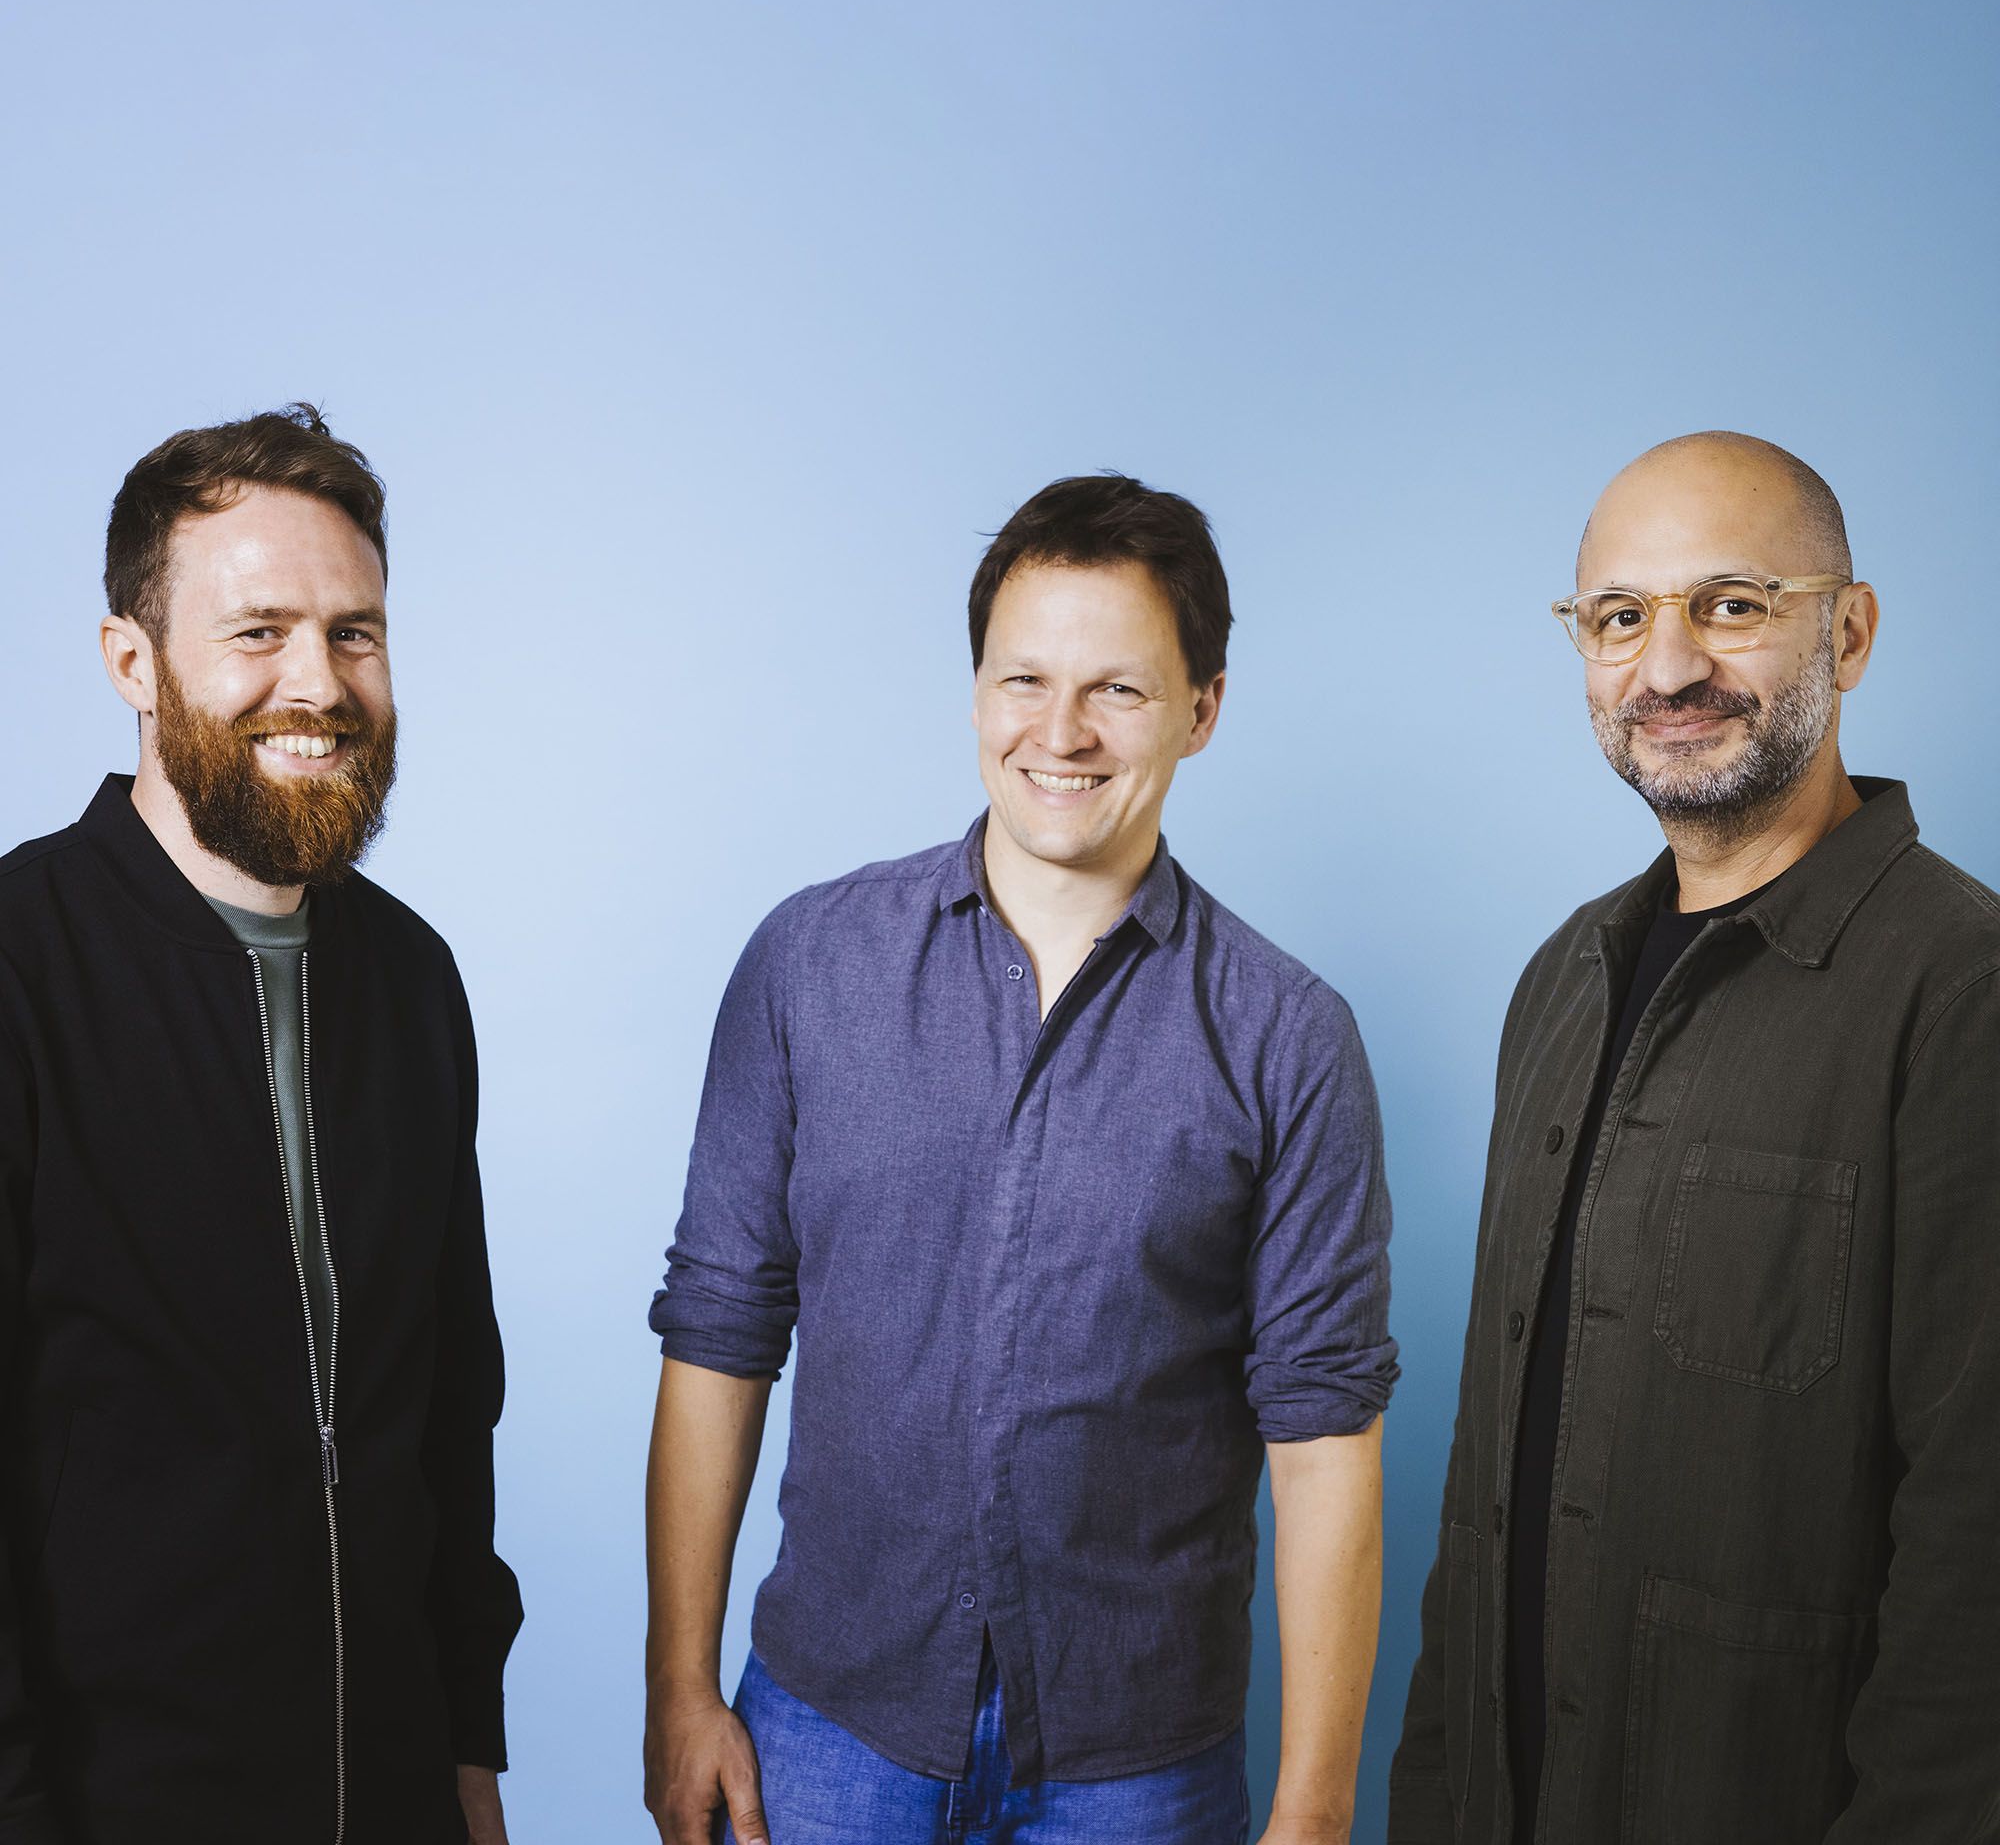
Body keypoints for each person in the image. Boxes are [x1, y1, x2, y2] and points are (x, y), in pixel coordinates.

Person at [643, 475, 1398, 1845]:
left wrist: (1316, 1810)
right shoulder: (808, 965)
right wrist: (678, 1690)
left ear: (1201, 709)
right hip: (827, 1729)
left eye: (1117, 689)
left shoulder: (1290, 1037)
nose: (1060, 732)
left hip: (1139, 1770)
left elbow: (1326, 1434)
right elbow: (717, 1334)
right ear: (977, 690)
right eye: (1023, 679)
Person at [1388, 432, 2000, 1844]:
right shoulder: (1558, 981)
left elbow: (1978, 1547)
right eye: (1619, 618)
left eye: (1730, 604)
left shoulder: (1961, 995)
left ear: (1846, 630)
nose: (1665, 669)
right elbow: (1483, 1492)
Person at [0, 406, 523, 1844]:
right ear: (131, 661)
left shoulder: (413, 977)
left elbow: (449, 1411)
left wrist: (466, 1751)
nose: (321, 682)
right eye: (260, 632)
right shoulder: (22, 963)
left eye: (356, 632)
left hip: (402, 1793)